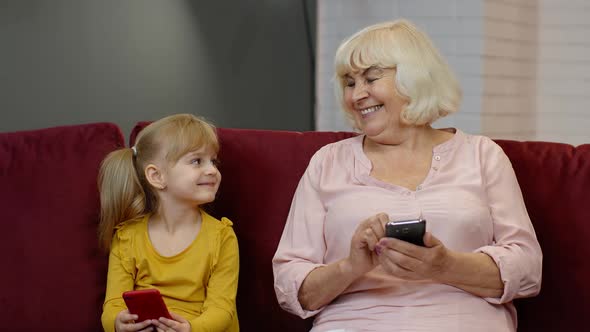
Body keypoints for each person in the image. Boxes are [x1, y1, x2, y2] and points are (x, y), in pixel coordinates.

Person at [272, 19, 542, 332]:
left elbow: (528, 268)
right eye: (349, 82)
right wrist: (350, 267)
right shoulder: (327, 163)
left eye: (371, 78)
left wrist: (446, 266)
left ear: (414, 79)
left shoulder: (482, 155)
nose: (357, 95)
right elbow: (291, 285)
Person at [98, 114, 239, 332]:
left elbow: (222, 309)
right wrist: (118, 324)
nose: (212, 170)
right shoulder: (127, 237)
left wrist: (191, 328)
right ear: (157, 176)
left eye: (213, 160)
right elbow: (113, 305)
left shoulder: (222, 237)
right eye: (196, 161)